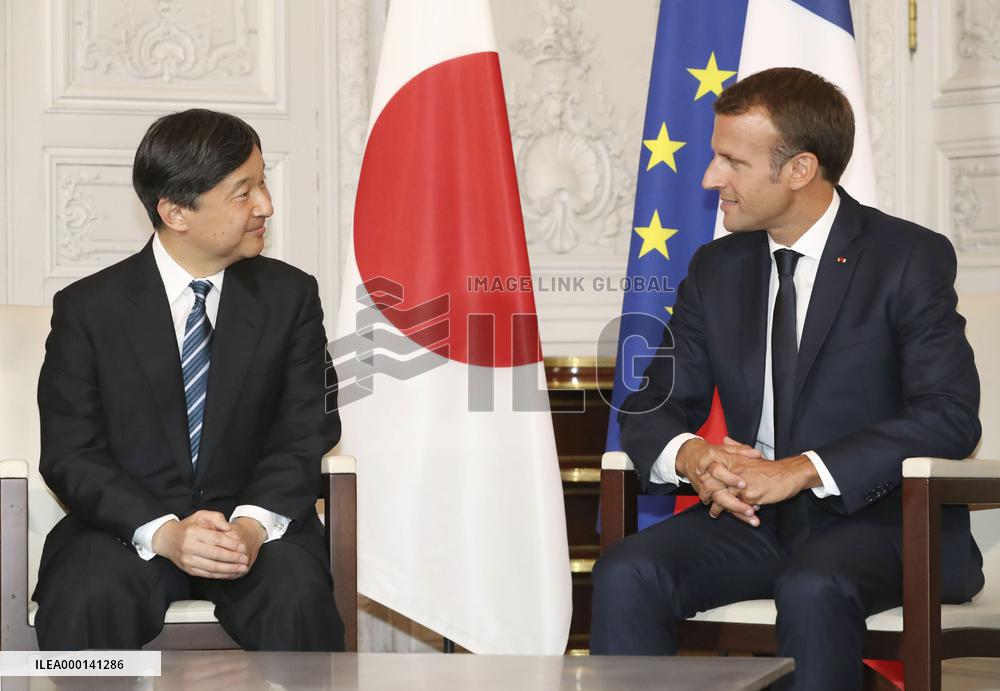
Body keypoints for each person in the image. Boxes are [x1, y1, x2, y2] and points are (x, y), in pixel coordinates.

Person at [590, 67, 983, 690]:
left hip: (886, 523)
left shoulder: (906, 257)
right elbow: (650, 404)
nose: (709, 178)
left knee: (814, 584)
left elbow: (950, 415)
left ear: (799, 170)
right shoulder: (717, 267)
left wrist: (801, 468)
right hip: (755, 522)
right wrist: (691, 455)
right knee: (627, 571)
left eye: (731, 161)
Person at [33, 109, 345, 651]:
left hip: (254, 526)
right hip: (125, 527)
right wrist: (165, 533)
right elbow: (70, 452)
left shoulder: (290, 297)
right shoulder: (88, 309)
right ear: (176, 211)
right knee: (86, 594)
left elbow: (307, 429)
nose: (266, 205)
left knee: (297, 595)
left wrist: (249, 526)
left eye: (263, 181)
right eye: (243, 192)